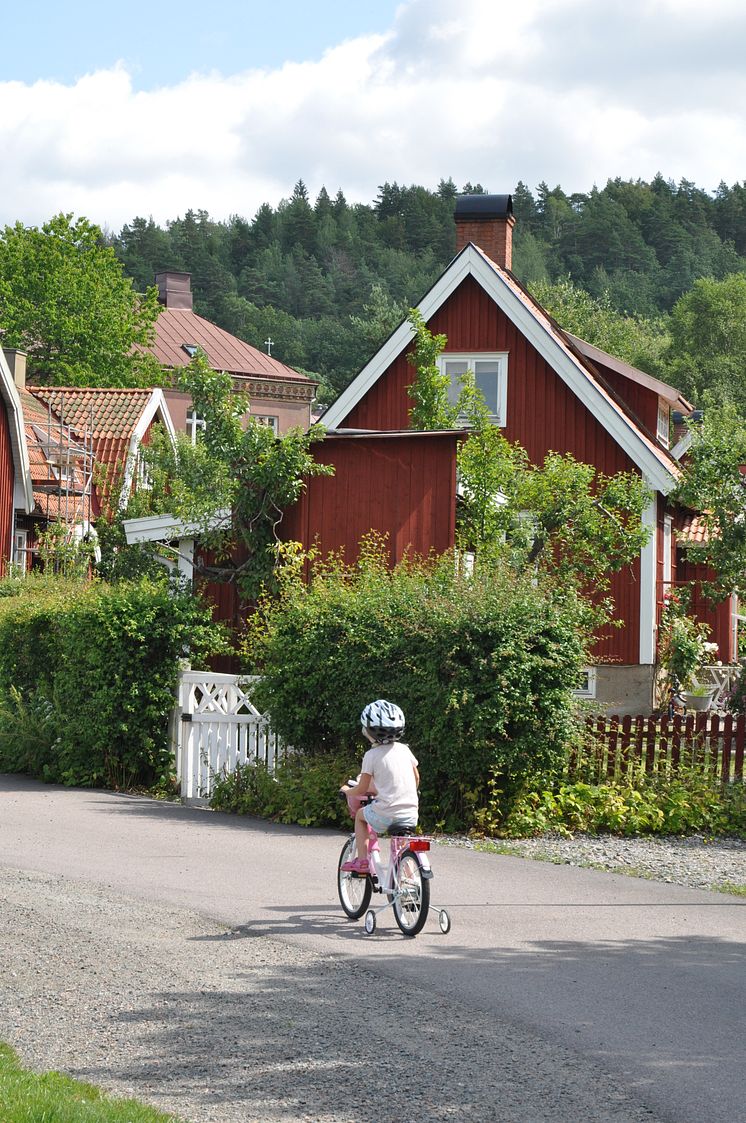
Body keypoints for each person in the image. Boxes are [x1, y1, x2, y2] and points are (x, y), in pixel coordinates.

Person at [340, 699, 419, 874]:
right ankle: (409, 880)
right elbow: (416, 778)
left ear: (368, 731)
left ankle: (361, 862)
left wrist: (347, 791)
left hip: (386, 813)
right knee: (402, 846)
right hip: (411, 813)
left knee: (361, 817)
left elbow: (361, 789)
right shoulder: (405, 750)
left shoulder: (371, 755)